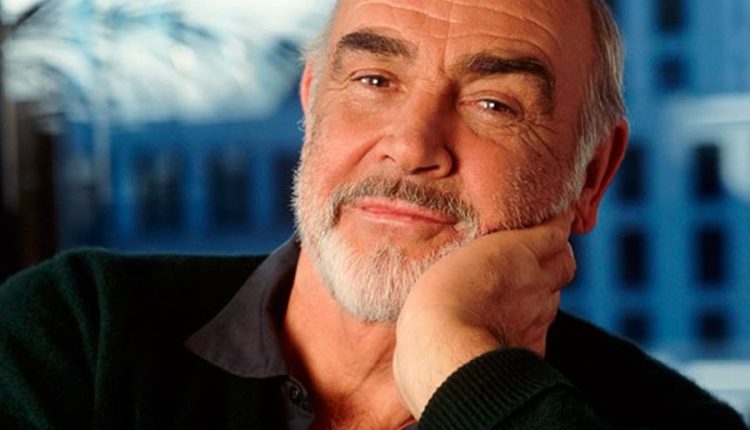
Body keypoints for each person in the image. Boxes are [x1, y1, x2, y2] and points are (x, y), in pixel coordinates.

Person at [0, 0, 746, 428]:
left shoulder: (678, 427)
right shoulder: (76, 334)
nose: (411, 147)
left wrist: (461, 362)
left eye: (494, 104)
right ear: (311, 103)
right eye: (374, 79)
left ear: (592, 174)